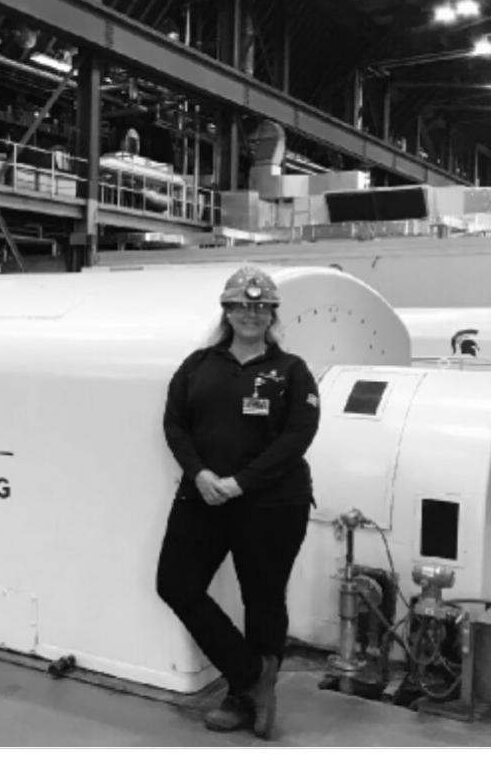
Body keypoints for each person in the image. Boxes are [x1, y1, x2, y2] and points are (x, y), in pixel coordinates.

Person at [155, 265, 320, 741]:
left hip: (271, 504)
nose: (252, 314)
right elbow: (175, 426)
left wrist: (243, 482)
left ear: (272, 315)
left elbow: (297, 436)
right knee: (176, 584)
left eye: (262, 306)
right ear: (226, 310)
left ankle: (241, 696)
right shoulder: (198, 365)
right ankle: (251, 675)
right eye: (243, 305)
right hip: (202, 495)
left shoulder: (290, 372)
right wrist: (201, 474)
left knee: (262, 597)